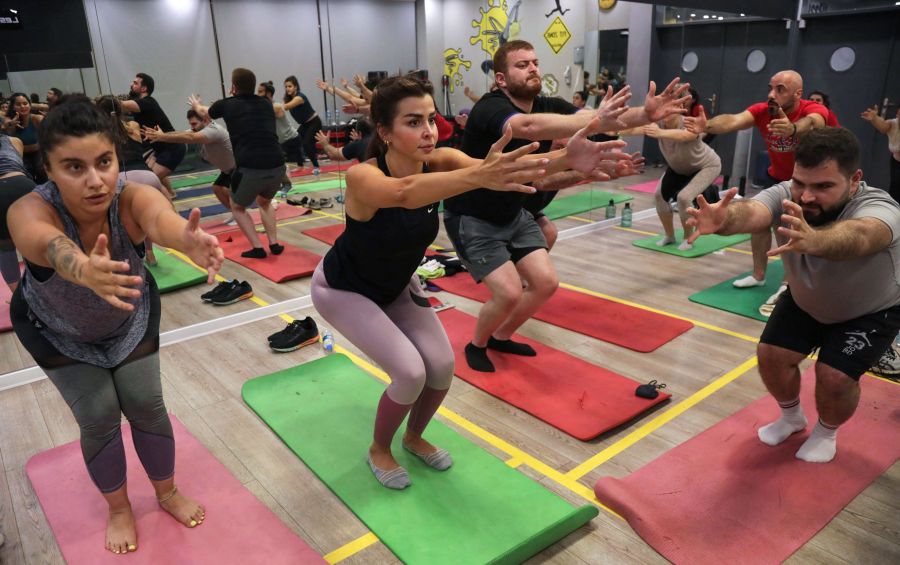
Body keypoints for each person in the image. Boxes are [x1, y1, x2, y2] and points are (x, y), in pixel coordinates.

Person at [311, 74, 614, 489]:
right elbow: (404, 193)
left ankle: (414, 437)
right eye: (413, 122)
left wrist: (567, 161)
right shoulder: (363, 177)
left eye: (431, 120)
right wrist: (479, 176)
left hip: (396, 286)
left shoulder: (443, 161)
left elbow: (504, 170)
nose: (428, 132)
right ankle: (379, 448)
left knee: (441, 367)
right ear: (384, 131)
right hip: (343, 289)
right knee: (409, 374)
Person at [8, 95, 223, 554]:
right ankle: (120, 507)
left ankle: (166, 492)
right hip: (55, 329)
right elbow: (46, 245)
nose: (95, 180)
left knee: (147, 403)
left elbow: (159, 218)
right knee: (99, 415)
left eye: (104, 162)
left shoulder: (131, 195)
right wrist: (83, 269)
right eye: (74, 167)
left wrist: (186, 239)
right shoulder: (29, 209)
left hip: (128, 317)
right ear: (47, 168)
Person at [445, 39, 688, 372]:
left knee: (546, 284)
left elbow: (596, 119)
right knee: (509, 293)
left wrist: (645, 114)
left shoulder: (547, 103)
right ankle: (478, 344)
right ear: (501, 78)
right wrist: (594, 123)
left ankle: (501, 335)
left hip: (513, 212)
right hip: (473, 217)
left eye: (534, 62)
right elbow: (527, 127)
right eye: (521, 65)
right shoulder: (491, 108)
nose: (532, 68)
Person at [686, 127, 900, 463]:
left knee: (834, 377)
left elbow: (861, 235)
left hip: (869, 309)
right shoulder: (787, 193)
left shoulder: (878, 206)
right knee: (770, 356)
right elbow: (754, 212)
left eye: (824, 186)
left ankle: (826, 431)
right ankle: (791, 417)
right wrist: (724, 218)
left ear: (854, 179)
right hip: (806, 300)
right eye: (801, 182)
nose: (807, 196)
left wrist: (815, 241)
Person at [685, 70, 828, 289]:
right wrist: (706, 126)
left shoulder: (812, 109)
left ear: (798, 93)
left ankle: (788, 283)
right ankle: (759, 275)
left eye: (780, 89)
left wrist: (793, 129)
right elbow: (734, 120)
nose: (772, 94)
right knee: (759, 225)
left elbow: (814, 122)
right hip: (777, 178)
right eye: (771, 88)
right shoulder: (763, 111)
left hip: (807, 184)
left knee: (793, 229)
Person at [191, 68, 286, 258]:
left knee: (237, 206)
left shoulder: (227, 104)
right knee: (265, 202)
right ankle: (274, 244)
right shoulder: (266, 104)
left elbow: (204, 112)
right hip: (278, 164)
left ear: (233, 87)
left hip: (251, 167)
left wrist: (196, 104)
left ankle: (258, 248)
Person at [639, 91, 721, 251]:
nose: (668, 111)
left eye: (674, 107)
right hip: (679, 167)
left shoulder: (690, 123)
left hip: (706, 166)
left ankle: (687, 238)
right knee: (659, 196)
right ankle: (669, 236)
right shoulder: (658, 124)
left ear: (681, 108)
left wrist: (660, 133)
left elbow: (684, 136)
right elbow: (636, 129)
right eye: (665, 107)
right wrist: (612, 130)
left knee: (684, 198)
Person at [96, 95, 168, 265]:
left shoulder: (99, 133)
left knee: (124, 222)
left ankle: (132, 257)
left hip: (123, 178)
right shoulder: (133, 125)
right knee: (147, 217)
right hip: (149, 176)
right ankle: (150, 254)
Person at [142, 108, 238, 224]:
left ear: (204, 121)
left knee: (226, 189)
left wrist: (162, 137)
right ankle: (236, 213)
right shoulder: (199, 129)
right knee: (217, 188)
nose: (192, 127)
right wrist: (161, 134)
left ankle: (240, 212)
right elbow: (181, 133)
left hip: (238, 167)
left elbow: (190, 138)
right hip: (227, 170)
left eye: (194, 124)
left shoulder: (213, 130)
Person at [120, 73, 185, 198]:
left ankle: (169, 212)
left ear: (144, 89)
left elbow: (120, 105)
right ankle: (170, 194)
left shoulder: (147, 102)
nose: (131, 85)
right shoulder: (141, 105)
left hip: (172, 148)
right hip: (159, 149)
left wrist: (103, 102)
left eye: (135, 83)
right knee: (149, 174)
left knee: (149, 181)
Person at [0, 132, 34, 296]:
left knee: (4, 248)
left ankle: (18, 298)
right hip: (24, 186)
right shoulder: (14, 140)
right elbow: (17, 164)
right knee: (35, 240)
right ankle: (42, 291)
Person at [860, 103, 900, 202]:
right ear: (897, 114)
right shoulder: (893, 123)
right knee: (895, 188)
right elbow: (883, 127)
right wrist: (874, 118)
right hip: (897, 161)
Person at [4, 92, 46, 183]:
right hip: (20, 156)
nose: (23, 106)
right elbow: (5, 124)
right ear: (13, 107)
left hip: (37, 154)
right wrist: (11, 124)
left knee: (42, 169)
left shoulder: (36, 119)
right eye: (18, 104)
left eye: (25, 103)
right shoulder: (9, 120)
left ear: (30, 105)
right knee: (26, 173)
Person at [283, 75, 321, 174]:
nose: (287, 88)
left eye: (290, 86)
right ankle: (300, 166)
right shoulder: (288, 98)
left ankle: (317, 167)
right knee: (294, 141)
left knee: (306, 143)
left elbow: (286, 107)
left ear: (295, 87)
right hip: (305, 125)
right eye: (286, 87)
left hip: (314, 122)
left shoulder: (299, 97)